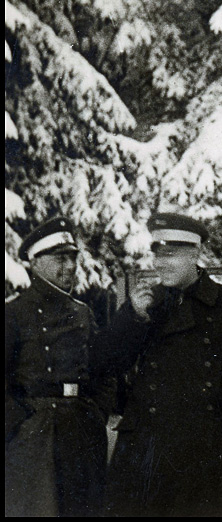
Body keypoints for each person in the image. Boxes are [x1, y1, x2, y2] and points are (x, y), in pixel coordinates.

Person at [99, 212, 222, 516]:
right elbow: (106, 363)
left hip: (207, 450)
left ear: (196, 253)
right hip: (146, 451)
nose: (160, 263)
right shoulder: (143, 304)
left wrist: (216, 390)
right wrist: (133, 319)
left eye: (170, 254)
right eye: (157, 254)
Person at [5, 218, 111, 516]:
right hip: (34, 439)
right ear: (35, 262)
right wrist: (20, 425)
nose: (69, 267)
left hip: (80, 431)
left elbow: (104, 372)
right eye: (59, 259)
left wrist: (96, 413)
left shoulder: (82, 313)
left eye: (72, 258)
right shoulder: (14, 313)